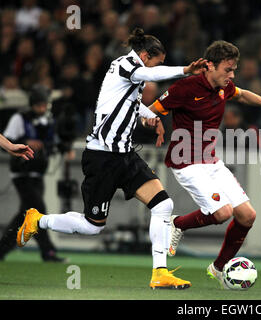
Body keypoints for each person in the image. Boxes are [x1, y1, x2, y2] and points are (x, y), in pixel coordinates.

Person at [16, 28, 207, 289]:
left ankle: (159, 273)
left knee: (163, 205)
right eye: (157, 61)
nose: (156, 69)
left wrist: (153, 117)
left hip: (125, 155)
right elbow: (150, 75)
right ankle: (38, 220)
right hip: (102, 157)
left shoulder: (131, 73)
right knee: (92, 226)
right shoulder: (127, 64)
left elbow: (132, 101)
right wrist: (185, 70)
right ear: (144, 55)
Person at [145, 40, 261, 288]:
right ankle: (177, 223)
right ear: (209, 66)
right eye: (228, 69)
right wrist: (156, 122)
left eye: (234, 69)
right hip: (185, 162)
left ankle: (218, 269)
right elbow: (149, 110)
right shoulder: (184, 88)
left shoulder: (223, 86)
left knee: (247, 216)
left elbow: (243, 95)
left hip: (211, 161)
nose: (232, 75)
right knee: (223, 213)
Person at [0, 85, 65, 262]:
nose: (42, 109)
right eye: (39, 106)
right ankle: (48, 251)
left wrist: (52, 147)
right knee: (37, 212)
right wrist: (26, 141)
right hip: (22, 174)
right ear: (32, 105)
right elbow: (7, 141)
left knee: (25, 215)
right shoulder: (19, 119)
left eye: (44, 105)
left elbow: (54, 143)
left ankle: (1, 250)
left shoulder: (49, 122)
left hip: (38, 173)